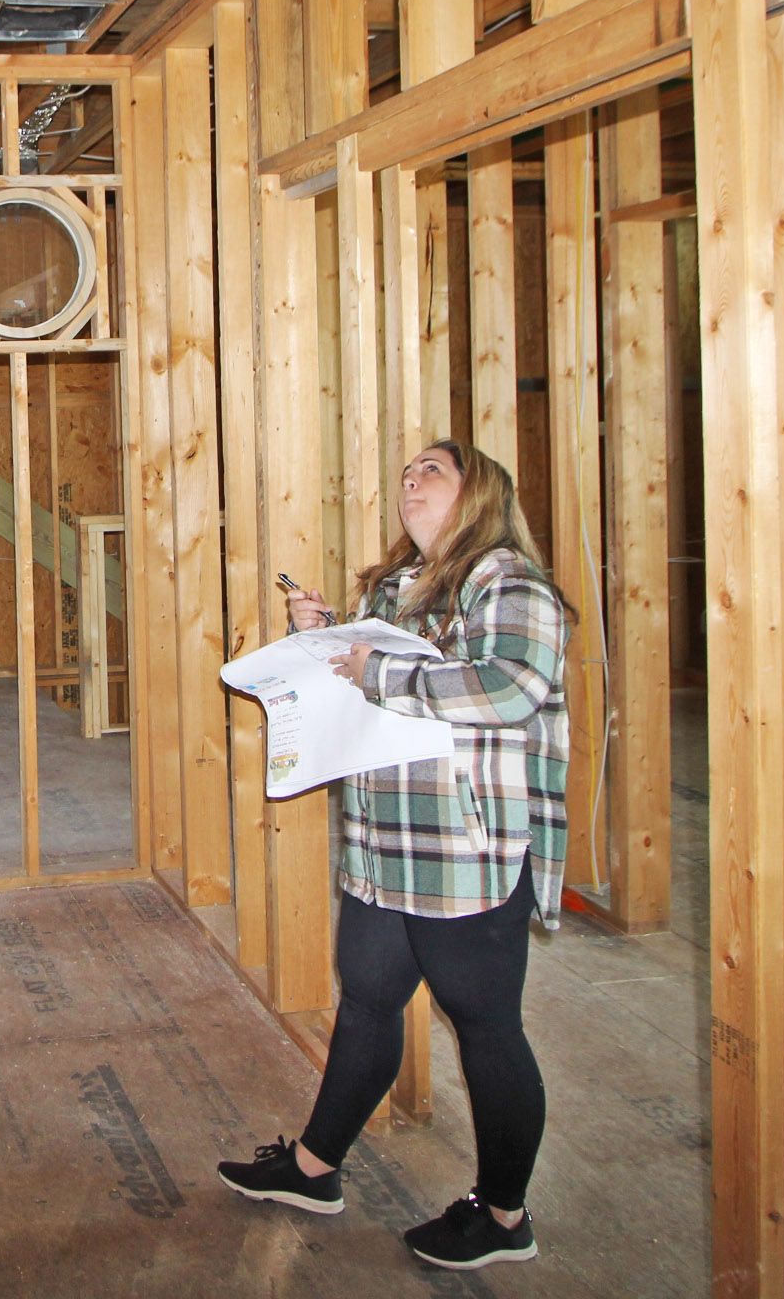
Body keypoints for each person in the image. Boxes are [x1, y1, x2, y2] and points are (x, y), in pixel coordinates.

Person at [217, 439, 571, 1272]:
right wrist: (325, 638)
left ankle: (505, 1215)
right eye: (406, 473)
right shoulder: (391, 586)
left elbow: (511, 686)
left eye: (432, 472)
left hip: (464, 848)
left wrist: (376, 671)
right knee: (369, 1005)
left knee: (487, 1029)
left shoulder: (508, 582)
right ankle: (313, 1169)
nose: (411, 481)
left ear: (477, 493)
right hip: (382, 843)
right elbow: (378, 677)